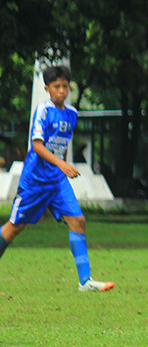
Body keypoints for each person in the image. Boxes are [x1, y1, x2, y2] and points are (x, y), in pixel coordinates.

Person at [0, 65, 115, 292]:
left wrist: (61, 167)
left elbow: (60, 146)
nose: (61, 91)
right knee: (14, 228)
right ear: (47, 88)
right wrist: (62, 164)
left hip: (57, 180)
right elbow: (37, 146)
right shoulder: (43, 111)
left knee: (78, 221)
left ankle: (85, 281)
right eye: (57, 86)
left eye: (65, 86)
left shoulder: (71, 113)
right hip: (35, 181)